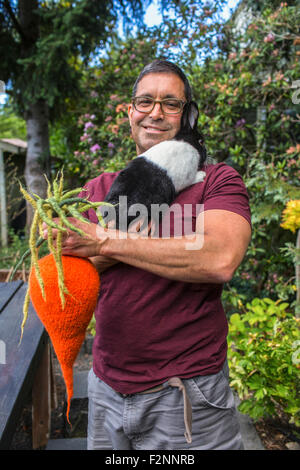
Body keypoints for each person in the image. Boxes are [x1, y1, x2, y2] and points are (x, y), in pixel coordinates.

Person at [47, 60, 252, 450]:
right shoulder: (96, 189)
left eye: (170, 103)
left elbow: (219, 257)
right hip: (106, 390)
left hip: (187, 395)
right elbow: (66, 274)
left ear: (187, 115)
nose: (155, 112)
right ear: (130, 112)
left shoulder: (215, 180)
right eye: (145, 101)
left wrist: (105, 242)